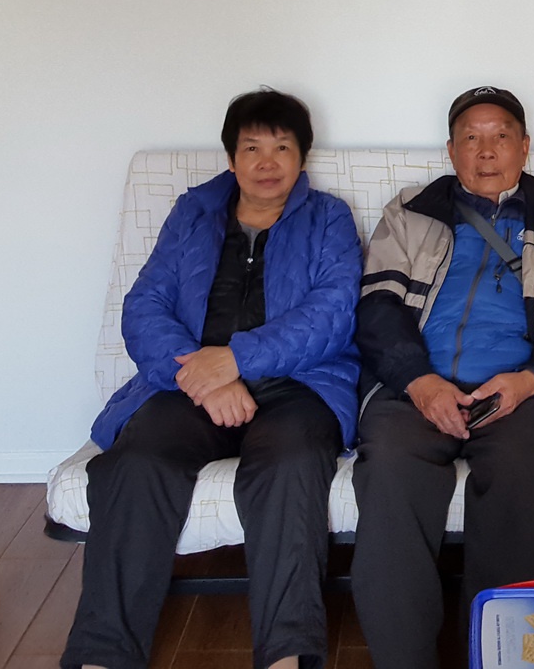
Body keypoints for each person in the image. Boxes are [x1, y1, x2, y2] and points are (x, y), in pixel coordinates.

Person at [62, 89, 362, 669]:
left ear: (302, 157)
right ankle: (102, 655)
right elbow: (144, 306)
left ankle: (286, 656)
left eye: (282, 148)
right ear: (231, 158)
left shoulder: (328, 217)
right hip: (191, 383)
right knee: (137, 461)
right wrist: (206, 376)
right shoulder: (191, 214)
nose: (267, 163)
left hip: (300, 385)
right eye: (252, 148)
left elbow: (333, 313)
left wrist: (236, 360)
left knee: (290, 464)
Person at [351, 86, 534, 669]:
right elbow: (378, 308)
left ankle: (500, 657)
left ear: (524, 146)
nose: (486, 150)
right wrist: (418, 381)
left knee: (517, 469)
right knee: (389, 464)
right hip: (418, 387)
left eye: (500, 137)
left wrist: (531, 380)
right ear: (451, 150)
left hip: (520, 392)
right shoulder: (411, 212)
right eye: (471, 138)